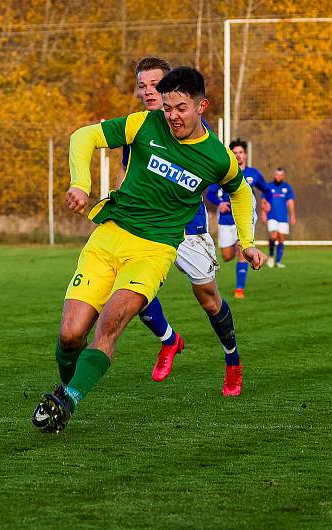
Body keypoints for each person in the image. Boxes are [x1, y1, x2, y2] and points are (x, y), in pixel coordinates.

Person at [31, 67, 266, 434]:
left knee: (110, 324)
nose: (172, 115)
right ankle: (65, 391)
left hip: (154, 250)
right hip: (108, 237)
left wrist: (248, 243)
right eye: (168, 106)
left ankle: (70, 399)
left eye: (181, 108)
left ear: (201, 106)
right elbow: (84, 136)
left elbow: (241, 191)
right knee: (70, 334)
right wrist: (80, 183)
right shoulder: (144, 123)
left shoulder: (218, 157)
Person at [120, 57, 253, 386]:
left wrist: (247, 241)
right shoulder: (139, 127)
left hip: (188, 230)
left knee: (208, 298)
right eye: (142, 86)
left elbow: (234, 187)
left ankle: (232, 358)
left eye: (155, 85)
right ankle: (168, 340)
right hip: (148, 228)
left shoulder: (198, 136)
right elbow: (128, 174)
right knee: (132, 289)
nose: (149, 92)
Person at [206, 139, 271, 298]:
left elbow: (267, 190)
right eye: (235, 153)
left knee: (243, 249)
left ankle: (239, 290)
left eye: (241, 152)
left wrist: (265, 201)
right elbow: (210, 193)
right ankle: (236, 249)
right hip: (226, 220)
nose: (238, 156)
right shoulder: (225, 172)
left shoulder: (253, 173)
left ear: (246, 155)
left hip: (246, 218)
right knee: (227, 256)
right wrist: (220, 203)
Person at [265, 168, 296, 268]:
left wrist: (292, 215)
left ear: (283, 176)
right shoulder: (269, 186)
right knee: (273, 235)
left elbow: (290, 202)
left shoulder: (287, 187)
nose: (278, 176)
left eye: (280, 175)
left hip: (283, 217)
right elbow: (263, 201)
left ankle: (278, 261)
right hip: (271, 216)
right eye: (277, 174)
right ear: (274, 175)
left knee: (281, 238)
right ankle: (270, 257)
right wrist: (263, 213)